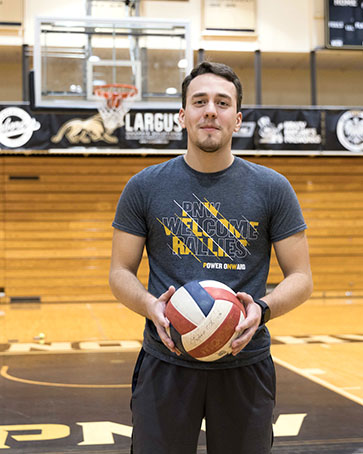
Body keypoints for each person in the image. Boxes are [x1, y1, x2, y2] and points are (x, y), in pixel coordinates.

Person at [109, 61, 313, 454]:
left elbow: (301, 278)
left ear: (237, 119)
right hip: (166, 362)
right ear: (182, 115)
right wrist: (151, 306)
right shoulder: (144, 186)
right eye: (199, 101)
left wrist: (263, 310)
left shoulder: (273, 189)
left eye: (222, 103)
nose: (210, 111)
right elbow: (120, 272)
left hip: (245, 363)